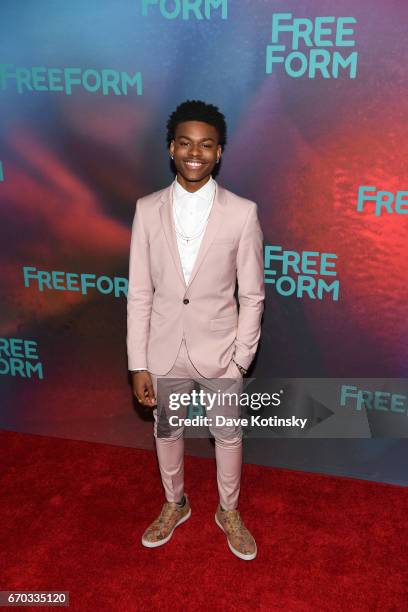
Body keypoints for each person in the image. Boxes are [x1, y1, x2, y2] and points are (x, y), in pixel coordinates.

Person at [127, 99, 265, 560]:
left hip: (221, 352)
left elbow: (252, 295)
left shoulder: (243, 213)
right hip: (164, 350)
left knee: (227, 435)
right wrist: (138, 362)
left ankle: (229, 511)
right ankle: (175, 504)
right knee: (167, 432)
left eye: (206, 145)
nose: (195, 152)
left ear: (219, 152)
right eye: (185, 142)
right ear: (171, 148)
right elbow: (140, 293)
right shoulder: (147, 210)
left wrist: (241, 358)